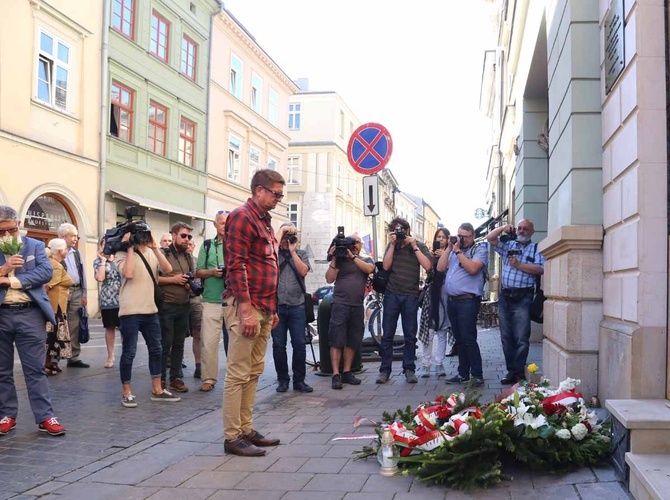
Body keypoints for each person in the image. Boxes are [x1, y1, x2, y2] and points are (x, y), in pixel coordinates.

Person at [222, 169, 284, 457]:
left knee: (254, 370)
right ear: (259, 190)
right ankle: (232, 436)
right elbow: (236, 265)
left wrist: (271, 310)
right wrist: (246, 310)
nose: (279, 199)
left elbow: (269, 267)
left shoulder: (266, 222)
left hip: (263, 306)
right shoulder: (242, 216)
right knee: (238, 373)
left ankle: (246, 429)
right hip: (245, 306)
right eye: (276, 193)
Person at [0, 206, 66, 436]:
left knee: (35, 369)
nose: (7, 236)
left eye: (11, 230)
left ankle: (45, 416)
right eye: (1, 232)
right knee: (2, 370)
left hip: (29, 313)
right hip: (2, 314)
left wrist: (11, 281)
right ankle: (6, 415)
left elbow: (45, 273)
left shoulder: (34, 245)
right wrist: (5, 268)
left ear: (18, 224)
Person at [114, 225, 179, 407]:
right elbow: (128, 273)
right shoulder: (121, 254)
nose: (144, 237)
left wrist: (155, 248)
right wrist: (128, 248)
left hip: (150, 310)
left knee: (156, 349)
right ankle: (126, 392)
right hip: (130, 311)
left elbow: (167, 269)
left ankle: (157, 389)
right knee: (129, 353)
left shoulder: (151, 252)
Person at [486, 220, 545, 384]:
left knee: (520, 337)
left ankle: (518, 372)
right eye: (519, 228)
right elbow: (490, 238)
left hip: (523, 297)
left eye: (525, 229)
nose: (522, 231)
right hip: (505, 296)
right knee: (506, 337)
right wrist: (502, 228)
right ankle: (511, 371)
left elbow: (541, 269)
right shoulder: (508, 245)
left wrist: (519, 265)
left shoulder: (536, 248)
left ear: (532, 232)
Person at [376, 217, 432, 384]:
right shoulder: (391, 245)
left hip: (410, 295)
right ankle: (385, 370)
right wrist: (392, 244)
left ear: (407, 231)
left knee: (410, 335)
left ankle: (409, 369)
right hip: (392, 294)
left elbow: (428, 266)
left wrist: (414, 245)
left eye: (401, 230)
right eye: (395, 231)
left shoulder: (418, 245)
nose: (399, 234)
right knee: (387, 335)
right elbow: (385, 267)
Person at [436, 222, 488, 387]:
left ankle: (477, 374)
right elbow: (440, 267)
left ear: (472, 236)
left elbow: (473, 269)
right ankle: (463, 373)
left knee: (468, 338)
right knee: (459, 339)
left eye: (465, 237)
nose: (461, 240)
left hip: (468, 300)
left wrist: (458, 251)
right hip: (453, 301)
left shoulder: (479, 249)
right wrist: (449, 249)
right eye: (459, 236)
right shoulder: (452, 251)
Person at [325, 233, 375, 390]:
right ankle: (335, 374)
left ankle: (347, 371)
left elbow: (369, 269)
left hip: (356, 305)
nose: (355, 245)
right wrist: (334, 257)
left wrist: (352, 256)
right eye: (352, 242)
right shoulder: (340, 260)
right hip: (340, 304)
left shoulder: (365, 260)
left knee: (353, 340)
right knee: (336, 339)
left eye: (357, 242)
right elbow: (329, 279)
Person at [271, 222, 313, 393]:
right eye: (285, 236)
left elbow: (303, 271)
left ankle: (299, 381)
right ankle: (282, 380)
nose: (287, 239)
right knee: (278, 345)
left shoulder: (301, 253)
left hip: (297, 306)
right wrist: (280, 236)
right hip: (278, 306)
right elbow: (270, 248)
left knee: (299, 345)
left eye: (291, 235)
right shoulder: (273, 254)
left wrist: (293, 251)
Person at [157, 222, 196, 394]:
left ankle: (176, 378)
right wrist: (173, 280)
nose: (187, 239)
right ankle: (161, 380)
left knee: (179, 344)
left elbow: (192, 278)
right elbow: (155, 278)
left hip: (184, 305)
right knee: (165, 344)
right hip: (167, 305)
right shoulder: (163, 254)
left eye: (189, 236)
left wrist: (189, 284)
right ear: (173, 235)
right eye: (183, 236)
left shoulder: (188, 257)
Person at [195, 211, 229, 392]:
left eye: (227, 223)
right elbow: (198, 271)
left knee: (234, 344)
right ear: (215, 225)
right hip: (211, 300)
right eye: (221, 223)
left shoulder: (237, 245)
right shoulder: (207, 245)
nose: (224, 225)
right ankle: (208, 379)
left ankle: (235, 379)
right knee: (208, 342)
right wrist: (212, 272)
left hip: (233, 300)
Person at [417, 227, 455, 378]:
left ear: (447, 239)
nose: (440, 240)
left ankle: (439, 363)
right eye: (438, 237)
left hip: (445, 294)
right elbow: (428, 272)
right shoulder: (430, 254)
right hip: (431, 295)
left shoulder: (452, 253)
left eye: (443, 237)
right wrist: (433, 259)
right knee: (429, 330)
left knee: (442, 330)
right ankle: (426, 364)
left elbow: (454, 270)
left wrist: (446, 257)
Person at [58, 222, 88, 369]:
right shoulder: (54, 251)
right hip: (61, 291)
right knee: (59, 324)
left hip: (76, 291)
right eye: (72, 236)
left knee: (74, 324)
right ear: (63, 237)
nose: (75, 238)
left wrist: (85, 293)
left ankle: (73, 357)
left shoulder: (76, 252)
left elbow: (83, 273)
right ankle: (55, 357)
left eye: (76, 236)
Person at [44, 239, 73, 375]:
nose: (67, 251)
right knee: (52, 336)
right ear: (61, 251)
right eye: (65, 249)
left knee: (53, 336)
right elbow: (48, 286)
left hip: (56, 305)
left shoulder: (54, 263)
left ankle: (49, 362)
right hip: (55, 307)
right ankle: (47, 363)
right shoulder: (56, 265)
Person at [94, 236, 121, 369]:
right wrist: (104, 261)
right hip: (108, 299)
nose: (107, 246)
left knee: (125, 328)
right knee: (110, 327)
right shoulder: (98, 261)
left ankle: (127, 354)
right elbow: (100, 277)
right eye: (104, 244)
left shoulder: (120, 258)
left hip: (123, 298)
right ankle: (110, 355)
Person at [187, 240, 203, 379]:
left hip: (196, 299)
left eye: (191, 244)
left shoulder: (198, 261)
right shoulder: (175, 259)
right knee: (177, 335)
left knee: (198, 333)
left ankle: (199, 365)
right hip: (179, 299)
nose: (189, 247)